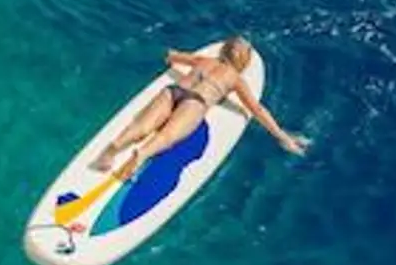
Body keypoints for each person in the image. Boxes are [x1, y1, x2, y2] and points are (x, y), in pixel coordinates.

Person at [89, 35, 309, 180]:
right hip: (196, 102)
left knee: (142, 126)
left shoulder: (202, 60)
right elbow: (257, 110)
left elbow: (172, 56)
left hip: (173, 90)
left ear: (222, 51)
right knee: (167, 136)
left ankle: (113, 148)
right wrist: (283, 137)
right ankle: (141, 155)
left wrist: (170, 54)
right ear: (244, 63)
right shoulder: (235, 80)